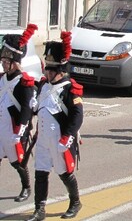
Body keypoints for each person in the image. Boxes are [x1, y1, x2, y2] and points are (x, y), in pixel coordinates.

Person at [28, 31, 84, 220]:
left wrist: (67, 137)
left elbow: (77, 116)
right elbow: (41, 108)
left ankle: (75, 202)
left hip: (60, 140)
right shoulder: (44, 85)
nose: (48, 73)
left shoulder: (70, 89)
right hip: (43, 139)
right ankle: (39, 209)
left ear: (60, 70)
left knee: (65, 173)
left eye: (52, 70)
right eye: (47, 69)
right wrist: (33, 108)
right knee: (41, 173)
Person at [0, 24, 37, 203]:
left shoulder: (24, 83)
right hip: (0, 126)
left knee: (18, 163)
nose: (3, 63)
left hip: (14, 129)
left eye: (7, 61)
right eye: (3, 61)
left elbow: (27, 110)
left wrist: (19, 132)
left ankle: (26, 187)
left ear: (15, 62)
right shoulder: (1, 78)